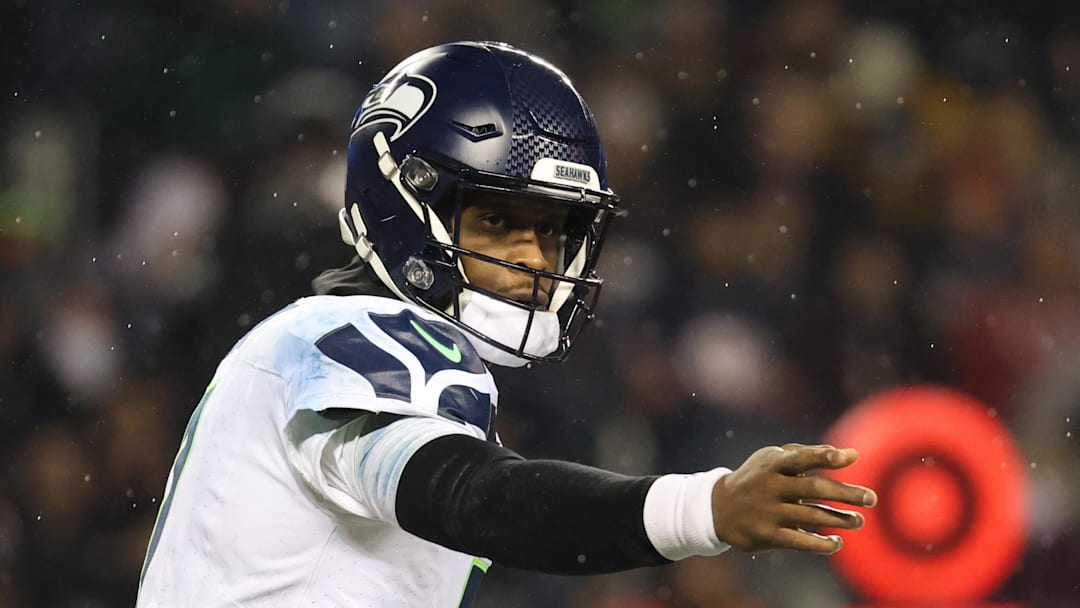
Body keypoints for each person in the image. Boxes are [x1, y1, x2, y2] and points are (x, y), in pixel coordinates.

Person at [135, 41, 877, 607]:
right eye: (497, 220)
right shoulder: (349, 337)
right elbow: (471, 497)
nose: (533, 258)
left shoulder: (312, 342)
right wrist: (701, 509)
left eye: (551, 229)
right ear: (403, 204)